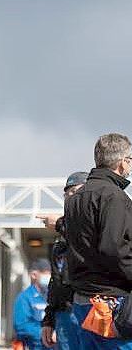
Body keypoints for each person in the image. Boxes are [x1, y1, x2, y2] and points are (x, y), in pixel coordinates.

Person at [64, 133, 132, 349]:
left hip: (83, 300)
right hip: (111, 302)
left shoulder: (74, 200)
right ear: (123, 162)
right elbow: (114, 248)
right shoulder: (114, 196)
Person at [40, 171, 87, 350]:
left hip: (90, 310)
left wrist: (60, 224)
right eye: (67, 193)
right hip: (65, 316)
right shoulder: (60, 243)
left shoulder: (99, 227)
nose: (70, 197)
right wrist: (49, 318)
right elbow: (55, 283)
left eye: (75, 191)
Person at [14, 259, 51, 350]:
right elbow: (21, 325)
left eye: (50, 273)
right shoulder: (25, 297)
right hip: (34, 345)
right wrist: (45, 332)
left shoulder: (52, 296)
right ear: (34, 275)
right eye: (45, 273)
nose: (49, 276)